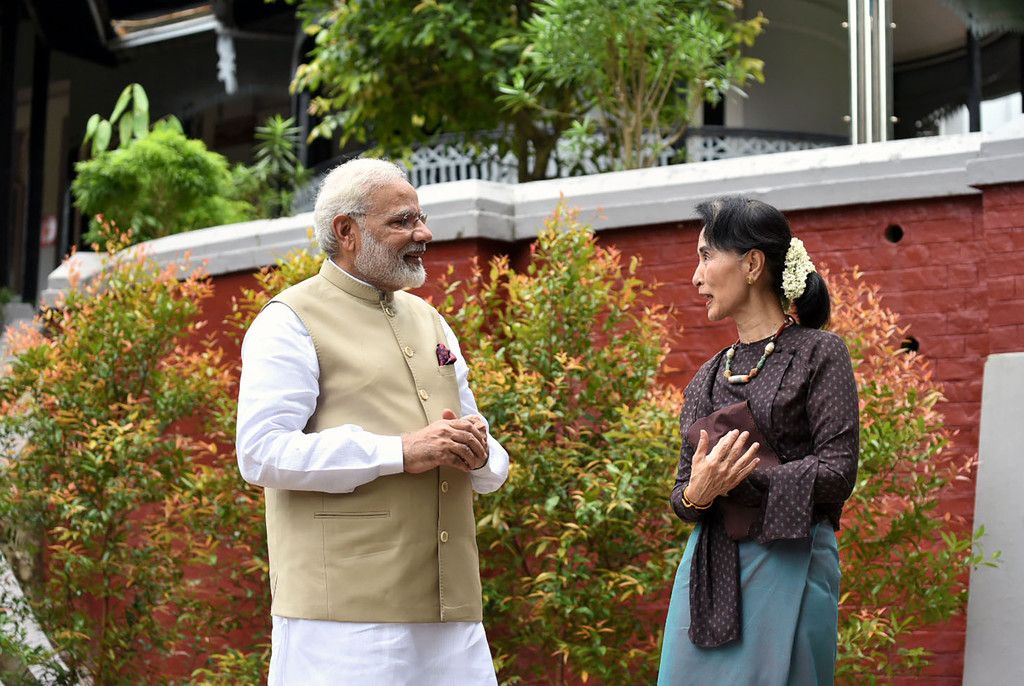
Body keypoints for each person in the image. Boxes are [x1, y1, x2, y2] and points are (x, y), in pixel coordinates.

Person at [235, 158, 510, 685]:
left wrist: (479, 453)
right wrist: (400, 451)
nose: (424, 234)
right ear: (347, 231)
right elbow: (261, 452)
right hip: (343, 620)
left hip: (453, 613)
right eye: (403, 221)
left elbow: (486, 455)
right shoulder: (289, 320)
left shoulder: (431, 321)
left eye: (420, 218)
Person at [658, 196, 859, 685]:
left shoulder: (819, 353)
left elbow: (838, 472)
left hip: (792, 560)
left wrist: (741, 481)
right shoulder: (706, 379)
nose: (696, 277)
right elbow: (683, 496)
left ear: (751, 265)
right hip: (709, 571)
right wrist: (699, 492)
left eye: (707, 256)